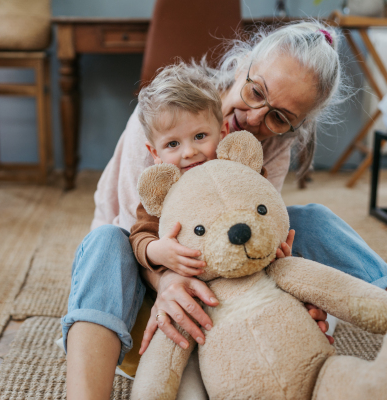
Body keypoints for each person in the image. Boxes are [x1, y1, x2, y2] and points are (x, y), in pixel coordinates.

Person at [63, 20, 387, 400]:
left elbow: (259, 229)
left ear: (296, 126)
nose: (254, 118)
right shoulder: (164, 116)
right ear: (242, 63)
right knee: (105, 241)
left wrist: (297, 294)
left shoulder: (272, 145)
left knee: (311, 219)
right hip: (136, 278)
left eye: (280, 117)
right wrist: (166, 281)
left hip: (226, 287)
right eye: (255, 92)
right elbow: (129, 228)